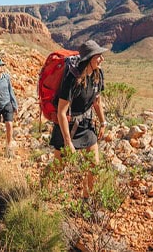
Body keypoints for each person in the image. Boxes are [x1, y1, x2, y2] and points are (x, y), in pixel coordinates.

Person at [49, 40, 109, 195]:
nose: (101, 59)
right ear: (88, 59)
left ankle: (86, 199)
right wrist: (68, 142)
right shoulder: (72, 79)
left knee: (94, 164)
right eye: (98, 56)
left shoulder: (97, 73)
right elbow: (61, 112)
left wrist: (103, 122)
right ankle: (41, 191)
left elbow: (97, 100)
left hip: (86, 125)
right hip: (67, 127)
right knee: (58, 167)